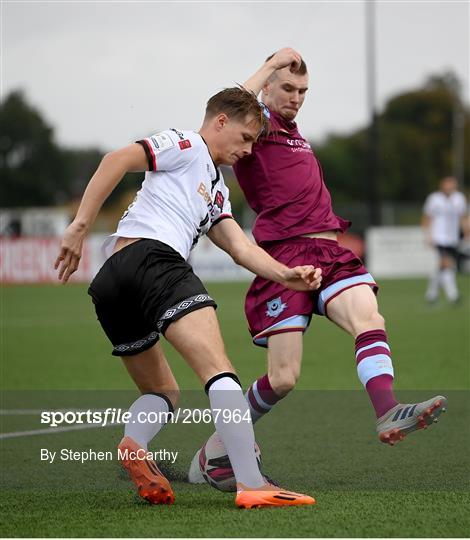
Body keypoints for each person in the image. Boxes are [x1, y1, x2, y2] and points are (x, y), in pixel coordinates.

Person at [54, 87, 322, 509]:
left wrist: (287, 275)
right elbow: (117, 160)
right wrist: (79, 225)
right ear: (220, 122)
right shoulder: (187, 144)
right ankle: (251, 483)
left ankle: (135, 444)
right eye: (246, 138)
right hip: (154, 260)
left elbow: (241, 249)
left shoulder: (216, 190)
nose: (249, 151)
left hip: (112, 281)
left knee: (163, 392)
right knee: (220, 371)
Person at [189, 49, 447, 484]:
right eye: (287, 89)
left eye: (303, 91)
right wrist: (270, 65)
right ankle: (218, 451)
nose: (296, 97)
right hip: (285, 258)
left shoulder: (293, 132)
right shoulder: (259, 127)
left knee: (370, 318)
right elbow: (233, 105)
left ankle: (387, 411)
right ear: (268, 89)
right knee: (283, 378)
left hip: (329, 253)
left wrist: (283, 79)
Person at [422, 176, 468, 303]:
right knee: (447, 264)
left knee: (442, 266)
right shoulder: (434, 199)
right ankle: (453, 295)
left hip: (452, 238)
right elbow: (427, 217)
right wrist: (428, 235)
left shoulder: (459, 199)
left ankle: (431, 294)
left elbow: (463, 217)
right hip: (439, 237)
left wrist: (466, 232)